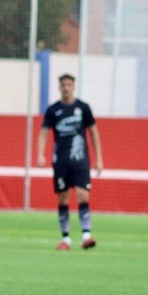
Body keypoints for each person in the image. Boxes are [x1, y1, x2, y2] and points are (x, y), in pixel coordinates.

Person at [36, 74, 103, 250]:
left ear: (74, 87)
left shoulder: (83, 108)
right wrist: (40, 154)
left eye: (69, 85)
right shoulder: (53, 110)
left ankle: (86, 235)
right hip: (61, 161)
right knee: (63, 198)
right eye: (63, 85)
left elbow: (93, 132)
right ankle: (65, 239)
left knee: (83, 195)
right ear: (59, 87)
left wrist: (99, 158)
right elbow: (43, 132)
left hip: (80, 160)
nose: (66, 87)